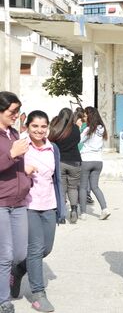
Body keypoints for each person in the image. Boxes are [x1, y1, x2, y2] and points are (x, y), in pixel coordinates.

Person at [11, 111, 66, 312]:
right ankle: (38, 294)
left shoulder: (54, 148)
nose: (39, 130)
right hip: (28, 205)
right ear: (27, 126)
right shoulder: (21, 146)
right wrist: (23, 171)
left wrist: (62, 206)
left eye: (43, 126)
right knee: (35, 248)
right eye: (35, 126)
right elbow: (10, 171)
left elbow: (57, 178)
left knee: (46, 249)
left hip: (49, 204)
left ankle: (17, 271)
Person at [0, 92, 32, 313]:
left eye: (18, 111)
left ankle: (8, 276)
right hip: (1, 201)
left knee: (20, 254)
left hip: (19, 202)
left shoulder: (13, 133)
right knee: (6, 254)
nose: (16, 115)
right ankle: (3, 300)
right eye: (12, 111)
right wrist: (12, 154)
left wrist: (27, 175)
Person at [48, 108, 81, 224]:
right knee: (73, 187)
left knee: (61, 188)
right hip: (75, 161)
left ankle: (61, 215)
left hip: (60, 161)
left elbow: (51, 142)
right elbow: (77, 141)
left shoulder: (56, 128)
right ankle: (74, 210)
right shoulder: (76, 129)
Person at [78, 107, 110, 220]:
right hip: (98, 161)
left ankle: (83, 213)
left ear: (90, 116)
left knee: (82, 187)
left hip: (86, 159)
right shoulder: (101, 129)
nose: (84, 117)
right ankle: (105, 209)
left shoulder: (88, 130)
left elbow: (79, 140)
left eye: (85, 115)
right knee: (95, 186)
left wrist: (78, 127)